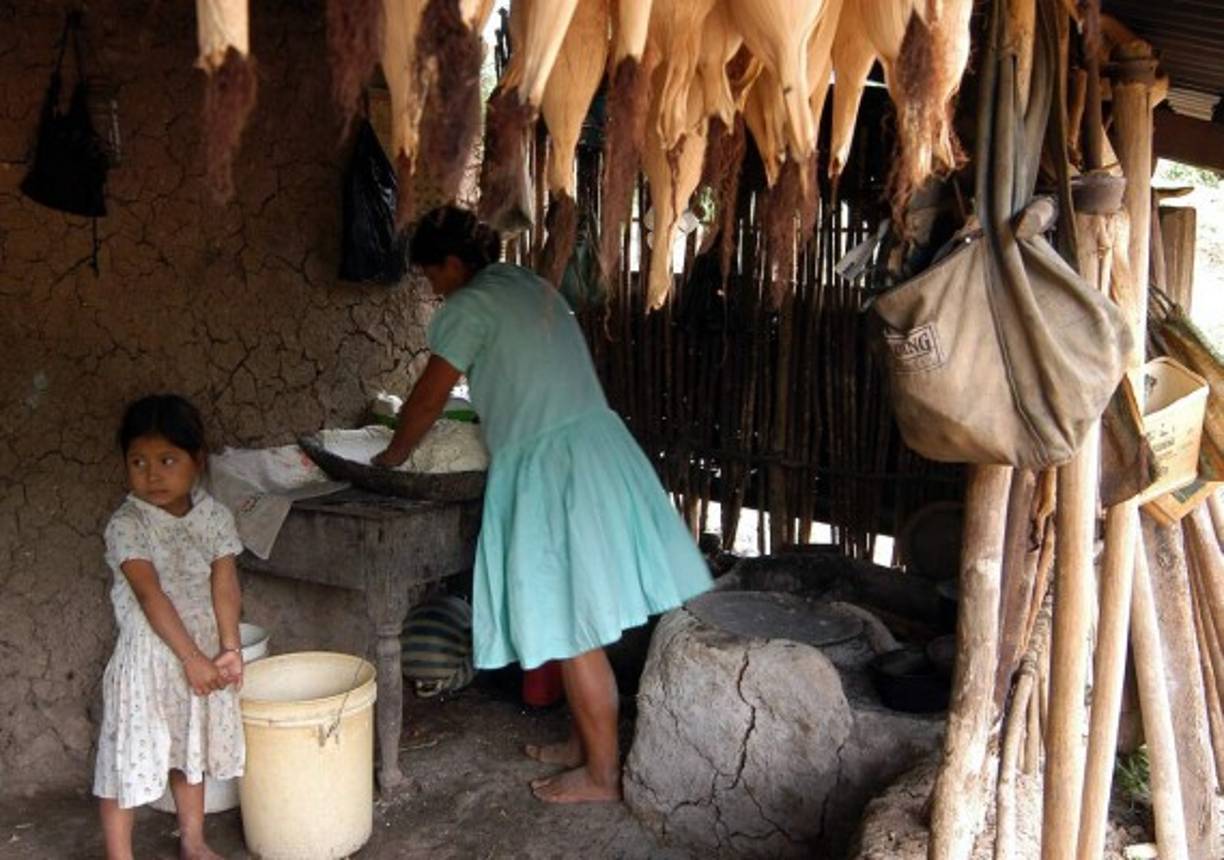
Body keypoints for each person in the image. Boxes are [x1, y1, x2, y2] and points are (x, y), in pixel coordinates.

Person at [372, 206, 712, 804]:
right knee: (574, 617)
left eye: (431, 276)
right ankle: (584, 746)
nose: (432, 289)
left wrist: (393, 454)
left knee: (574, 627)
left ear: (453, 264)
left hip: (552, 468)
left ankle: (602, 776)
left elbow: (427, 397)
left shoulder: (469, 306)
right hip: (591, 449)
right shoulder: (527, 284)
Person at [94, 394, 245, 860]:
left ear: (197, 460)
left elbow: (225, 582)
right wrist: (193, 659)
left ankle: (193, 841)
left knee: (189, 754)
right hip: (150, 661)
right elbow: (148, 593)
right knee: (126, 760)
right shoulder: (127, 523)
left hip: (197, 654)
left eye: (166, 459)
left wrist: (229, 646)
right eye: (137, 461)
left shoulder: (214, 517)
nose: (152, 474)